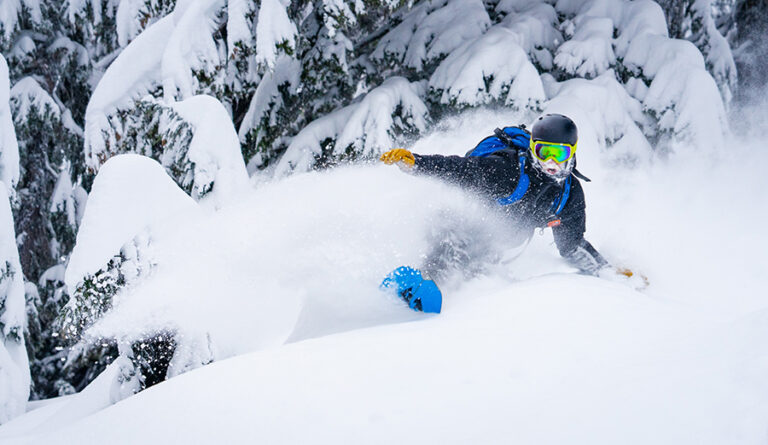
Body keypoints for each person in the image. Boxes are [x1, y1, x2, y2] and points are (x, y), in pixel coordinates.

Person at [380, 113, 641, 285]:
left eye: (558, 154)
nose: (550, 162)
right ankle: (420, 284)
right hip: (458, 224)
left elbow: (571, 247)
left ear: (571, 153)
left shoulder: (568, 196)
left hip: (493, 248)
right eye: (543, 151)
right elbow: (459, 170)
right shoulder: (508, 171)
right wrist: (417, 163)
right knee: (452, 245)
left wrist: (609, 273)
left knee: (477, 274)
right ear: (532, 149)